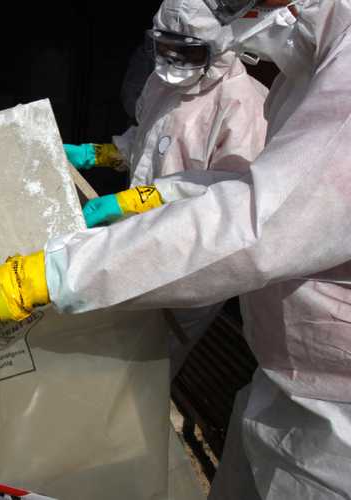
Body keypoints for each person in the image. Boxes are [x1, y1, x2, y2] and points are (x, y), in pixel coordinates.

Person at [0, 1, 351, 498]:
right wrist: (141, 190)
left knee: (140, 371)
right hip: (285, 383)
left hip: (334, 422)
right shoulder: (312, 62)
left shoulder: (272, 89)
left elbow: (255, 225)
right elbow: (245, 188)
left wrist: (43, 278)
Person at [71, 0, 271, 376]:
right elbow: (147, 142)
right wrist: (98, 154)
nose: (172, 61)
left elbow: (230, 202)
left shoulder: (244, 106)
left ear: (220, 46)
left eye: (186, 51)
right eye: (164, 48)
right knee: (107, 345)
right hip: (134, 237)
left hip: (188, 263)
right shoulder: (161, 82)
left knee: (148, 365)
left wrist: (140, 200)